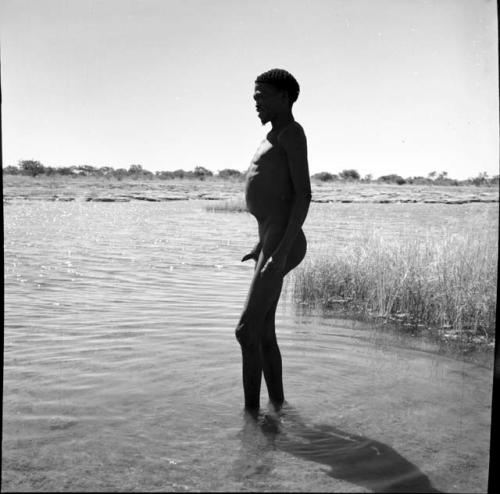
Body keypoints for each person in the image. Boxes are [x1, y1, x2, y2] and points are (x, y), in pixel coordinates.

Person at [235, 68, 311, 410]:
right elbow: (273, 199)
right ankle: (278, 408)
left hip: (282, 244)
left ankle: (251, 418)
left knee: (245, 331)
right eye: (254, 97)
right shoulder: (271, 135)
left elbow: (303, 195)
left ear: (285, 97)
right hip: (269, 241)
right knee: (263, 331)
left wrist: (278, 254)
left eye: (261, 96)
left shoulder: (291, 134)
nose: (256, 103)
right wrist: (261, 245)